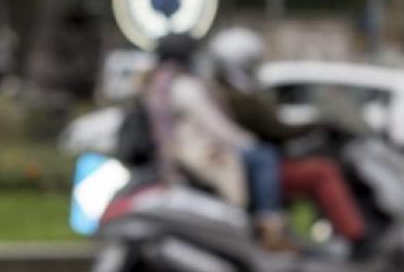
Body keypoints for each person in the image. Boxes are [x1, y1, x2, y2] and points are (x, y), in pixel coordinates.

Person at [202, 28, 368, 247]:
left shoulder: (225, 92)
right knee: (323, 172)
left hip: (244, 164)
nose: (255, 69)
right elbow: (274, 129)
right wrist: (317, 127)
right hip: (249, 168)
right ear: (237, 63)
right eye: (251, 63)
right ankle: (353, 236)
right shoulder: (237, 97)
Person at [142, 33, 292, 250]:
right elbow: (215, 125)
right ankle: (269, 225)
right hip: (198, 155)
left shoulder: (158, 84)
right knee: (264, 156)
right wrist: (248, 142)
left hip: (182, 153)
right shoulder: (184, 86)